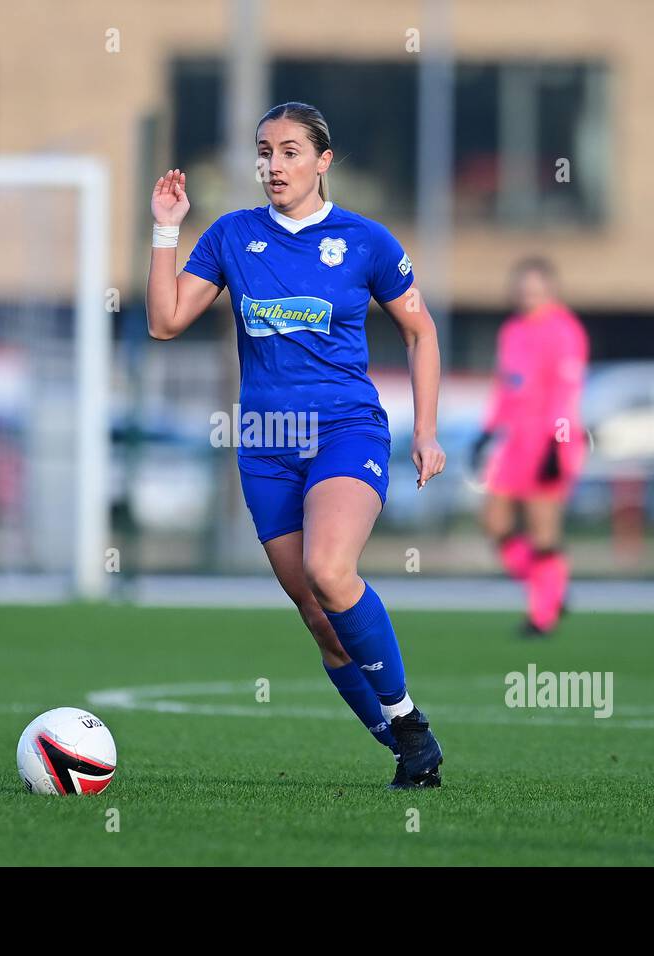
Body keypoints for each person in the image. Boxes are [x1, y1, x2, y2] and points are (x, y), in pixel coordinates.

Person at [145, 102, 448, 789]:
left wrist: (426, 430)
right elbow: (165, 323)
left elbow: (420, 332)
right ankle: (407, 751)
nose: (273, 166)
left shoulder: (365, 241)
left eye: (288, 152)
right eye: (264, 151)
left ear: (323, 161)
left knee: (330, 571)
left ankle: (409, 722)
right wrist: (166, 231)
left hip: (346, 430)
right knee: (317, 614)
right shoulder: (231, 235)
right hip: (266, 443)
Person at [475, 257, 588, 637]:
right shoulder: (512, 331)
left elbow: (566, 394)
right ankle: (551, 586)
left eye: (536, 289)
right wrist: (487, 431)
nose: (529, 296)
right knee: (494, 521)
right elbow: (506, 387)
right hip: (515, 441)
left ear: (551, 291)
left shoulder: (565, 331)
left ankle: (543, 615)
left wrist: (557, 446)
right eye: (523, 289)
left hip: (551, 438)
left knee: (542, 530)